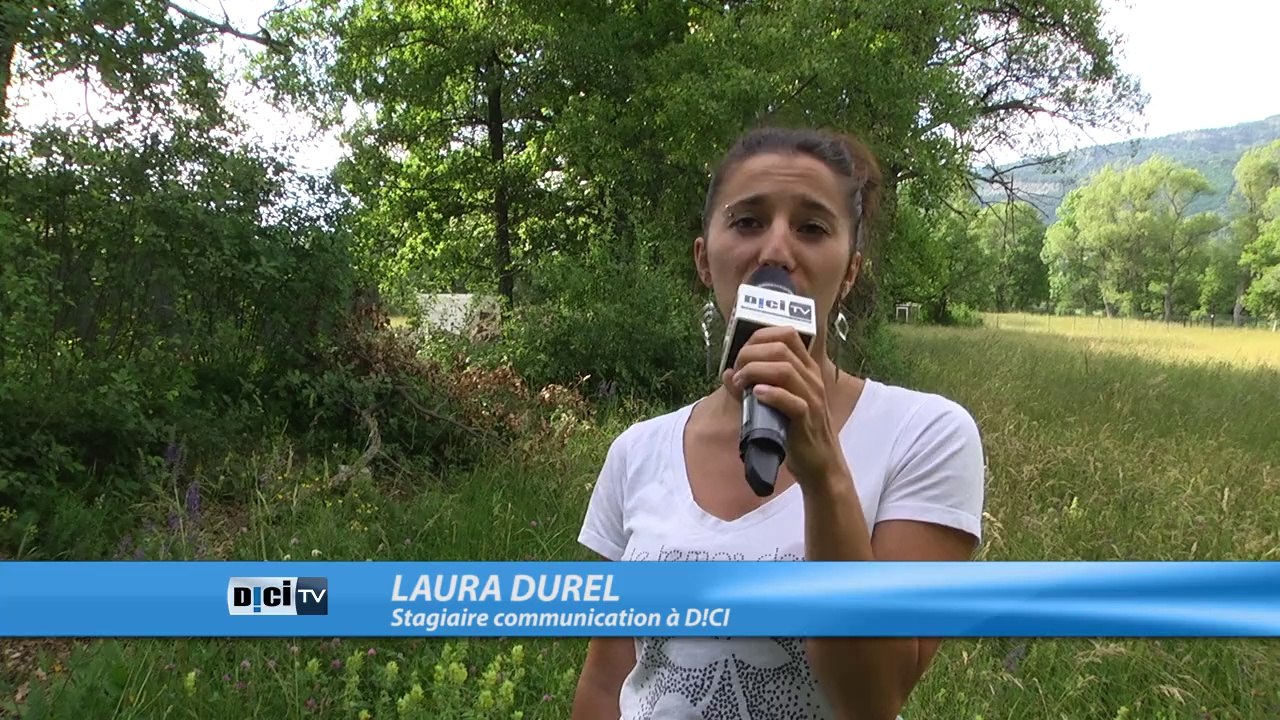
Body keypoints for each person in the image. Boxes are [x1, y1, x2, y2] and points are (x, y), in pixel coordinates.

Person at [571, 126, 986, 720]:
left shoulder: (925, 436)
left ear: (848, 273)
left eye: (812, 228)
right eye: (747, 222)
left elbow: (872, 700)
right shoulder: (638, 451)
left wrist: (825, 478)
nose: (775, 250)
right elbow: (607, 682)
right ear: (703, 260)